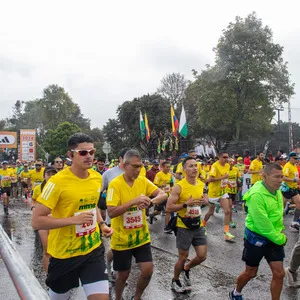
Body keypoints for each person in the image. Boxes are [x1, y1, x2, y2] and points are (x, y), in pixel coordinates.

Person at [32, 133, 113, 300]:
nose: (89, 156)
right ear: (70, 155)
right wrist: (72, 220)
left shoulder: (97, 178)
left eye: (92, 152)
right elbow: (37, 220)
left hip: (92, 249)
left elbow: (93, 205)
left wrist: (102, 224)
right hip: (65, 254)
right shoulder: (57, 182)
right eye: (83, 153)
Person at [106, 149, 167, 300]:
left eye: (140, 166)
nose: (138, 169)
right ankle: (118, 297)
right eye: (134, 166)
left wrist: (150, 202)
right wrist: (133, 201)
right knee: (123, 275)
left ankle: (137, 297)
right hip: (122, 239)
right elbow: (112, 212)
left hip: (141, 237)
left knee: (147, 271)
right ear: (125, 165)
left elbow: (163, 194)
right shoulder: (115, 184)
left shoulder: (143, 181)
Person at [229, 163, 286, 300]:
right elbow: (263, 225)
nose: (280, 180)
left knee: (279, 274)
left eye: (281, 176)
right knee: (251, 272)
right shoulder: (256, 194)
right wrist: (281, 238)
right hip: (256, 237)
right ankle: (236, 292)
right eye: (276, 177)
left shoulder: (277, 190)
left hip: (274, 236)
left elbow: (277, 214)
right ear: (264, 176)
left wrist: (281, 229)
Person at [167, 156, 208, 293]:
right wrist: (185, 204)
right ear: (184, 170)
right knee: (182, 257)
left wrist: (204, 201)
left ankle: (187, 268)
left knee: (202, 255)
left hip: (198, 224)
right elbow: (169, 207)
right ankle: (175, 280)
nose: (194, 168)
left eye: (196, 165)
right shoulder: (179, 187)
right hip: (184, 225)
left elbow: (204, 199)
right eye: (190, 166)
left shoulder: (201, 184)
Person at [203, 152, 235, 242]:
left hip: (223, 191)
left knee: (227, 211)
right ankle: (203, 225)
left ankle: (226, 233)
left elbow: (225, 177)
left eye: (227, 157)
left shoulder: (227, 166)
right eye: (224, 157)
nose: (226, 159)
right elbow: (211, 180)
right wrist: (223, 177)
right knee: (210, 212)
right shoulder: (215, 166)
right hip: (213, 193)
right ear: (220, 157)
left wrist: (228, 182)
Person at [31, 166, 57, 272]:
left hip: (57, 221)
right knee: (47, 249)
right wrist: (33, 207)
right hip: (44, 222)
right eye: (48, 174)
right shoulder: (38, 189)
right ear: (44, 176)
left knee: (57, 248)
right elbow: (33, 200)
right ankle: (48, 275)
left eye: (53, 174)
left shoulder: (60, 187)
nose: (51, 176)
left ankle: (58, 271)